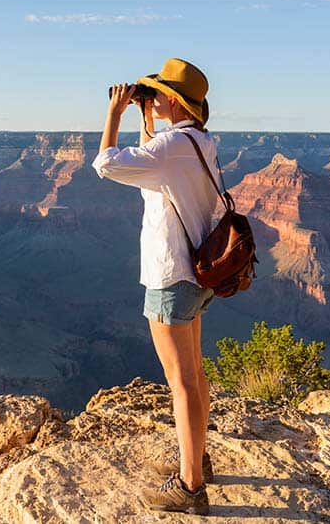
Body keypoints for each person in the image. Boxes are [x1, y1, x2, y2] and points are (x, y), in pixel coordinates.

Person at [91, 58, 220, 515]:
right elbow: (155, 163)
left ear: (170, 100)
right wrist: (147, 118)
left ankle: (189, 487)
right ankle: (196, 456)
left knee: (180, 381)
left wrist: (115, 114)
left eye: (155, 93)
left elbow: (105, 164)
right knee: (195, 373)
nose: (151, 96)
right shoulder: (198, 140)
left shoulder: (170, 147)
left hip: (171, 276)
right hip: (200, 274)